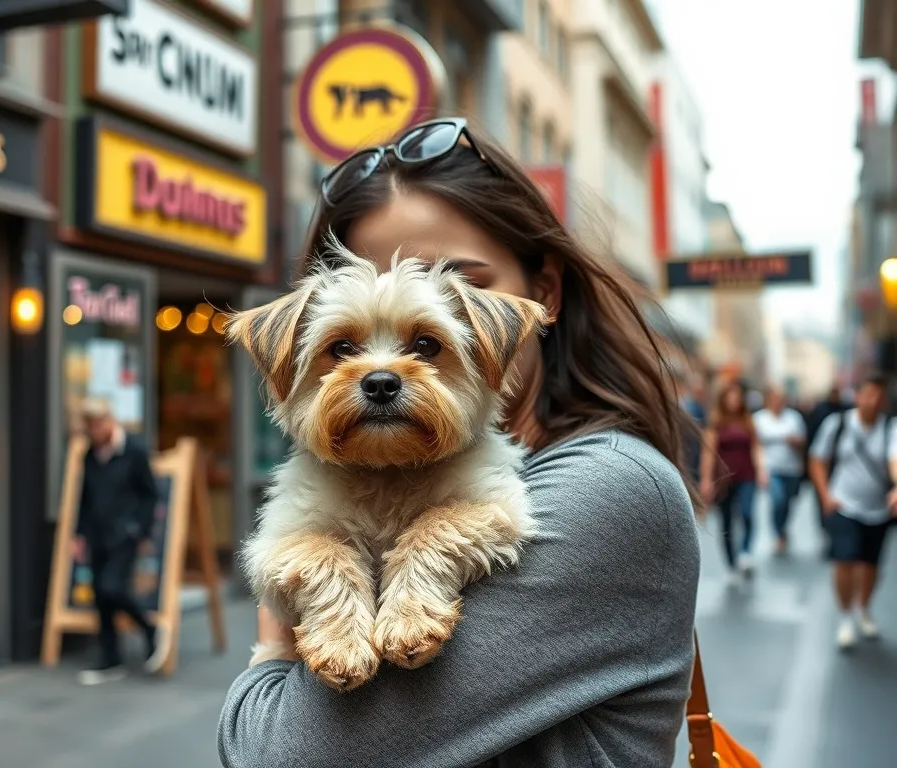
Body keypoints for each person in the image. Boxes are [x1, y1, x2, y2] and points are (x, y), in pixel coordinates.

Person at [217, 118, 700, 767]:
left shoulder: (608, 488)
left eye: (430, 332)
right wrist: (312, 584)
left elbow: (278, 756)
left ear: (544, 293)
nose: (383, 374)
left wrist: (272, 650)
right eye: (344, 345)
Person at [73, 398, 169, 684]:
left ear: (109, 421)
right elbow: (85, 499)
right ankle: (109, 657)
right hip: (97, 534)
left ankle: (150, 629)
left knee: (111, 587)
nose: (95, 431)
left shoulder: (135, 451)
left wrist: (138, 530)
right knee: (101, 597)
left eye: (99, 424)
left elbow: (150, 495)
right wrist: (78, 535)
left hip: (124, 535)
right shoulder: (89, 455)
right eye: (90, 426)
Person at [808, 372, 897, 650]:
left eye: (878, 396)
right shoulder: (837, 424)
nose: (873, 400)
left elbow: (894, 459)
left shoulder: (890, 428)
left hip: (878, 509)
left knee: (871, 565)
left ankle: (863, 607)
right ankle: (846, 617)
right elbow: (817, 460)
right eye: (868, 394)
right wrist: (825, 496)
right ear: (857, 396)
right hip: (843, 505)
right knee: (844, 560)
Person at [699, 380, 768, 583]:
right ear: (723, 399)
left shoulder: (748, 420)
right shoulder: (716, 422)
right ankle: (731, 563)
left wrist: (762, 471)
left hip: (747, 475)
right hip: (724, 480)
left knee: (747, 513)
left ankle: (745, 553)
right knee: (727, 521)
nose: (734, 400)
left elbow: (756, 448)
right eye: (730, 396)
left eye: (737, 396)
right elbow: (708, 453)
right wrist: (706, 479)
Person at [754, 387, 807, 554]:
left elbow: (803, 441)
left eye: (781, 398)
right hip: (771, 468)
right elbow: (755, 446)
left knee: (788, 502)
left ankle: (783, 529)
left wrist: (795, 442)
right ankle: (778, 534)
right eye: (775, 398)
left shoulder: (793, 418)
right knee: (778, 500)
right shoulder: (759, 419)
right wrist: (760, 470)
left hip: (791, 468)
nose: (778, 402)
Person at [805, 384, 847, 530]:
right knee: (821, 494)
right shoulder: (820, 411)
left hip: (838, 463)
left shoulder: (845, 410)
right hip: (821, 458)